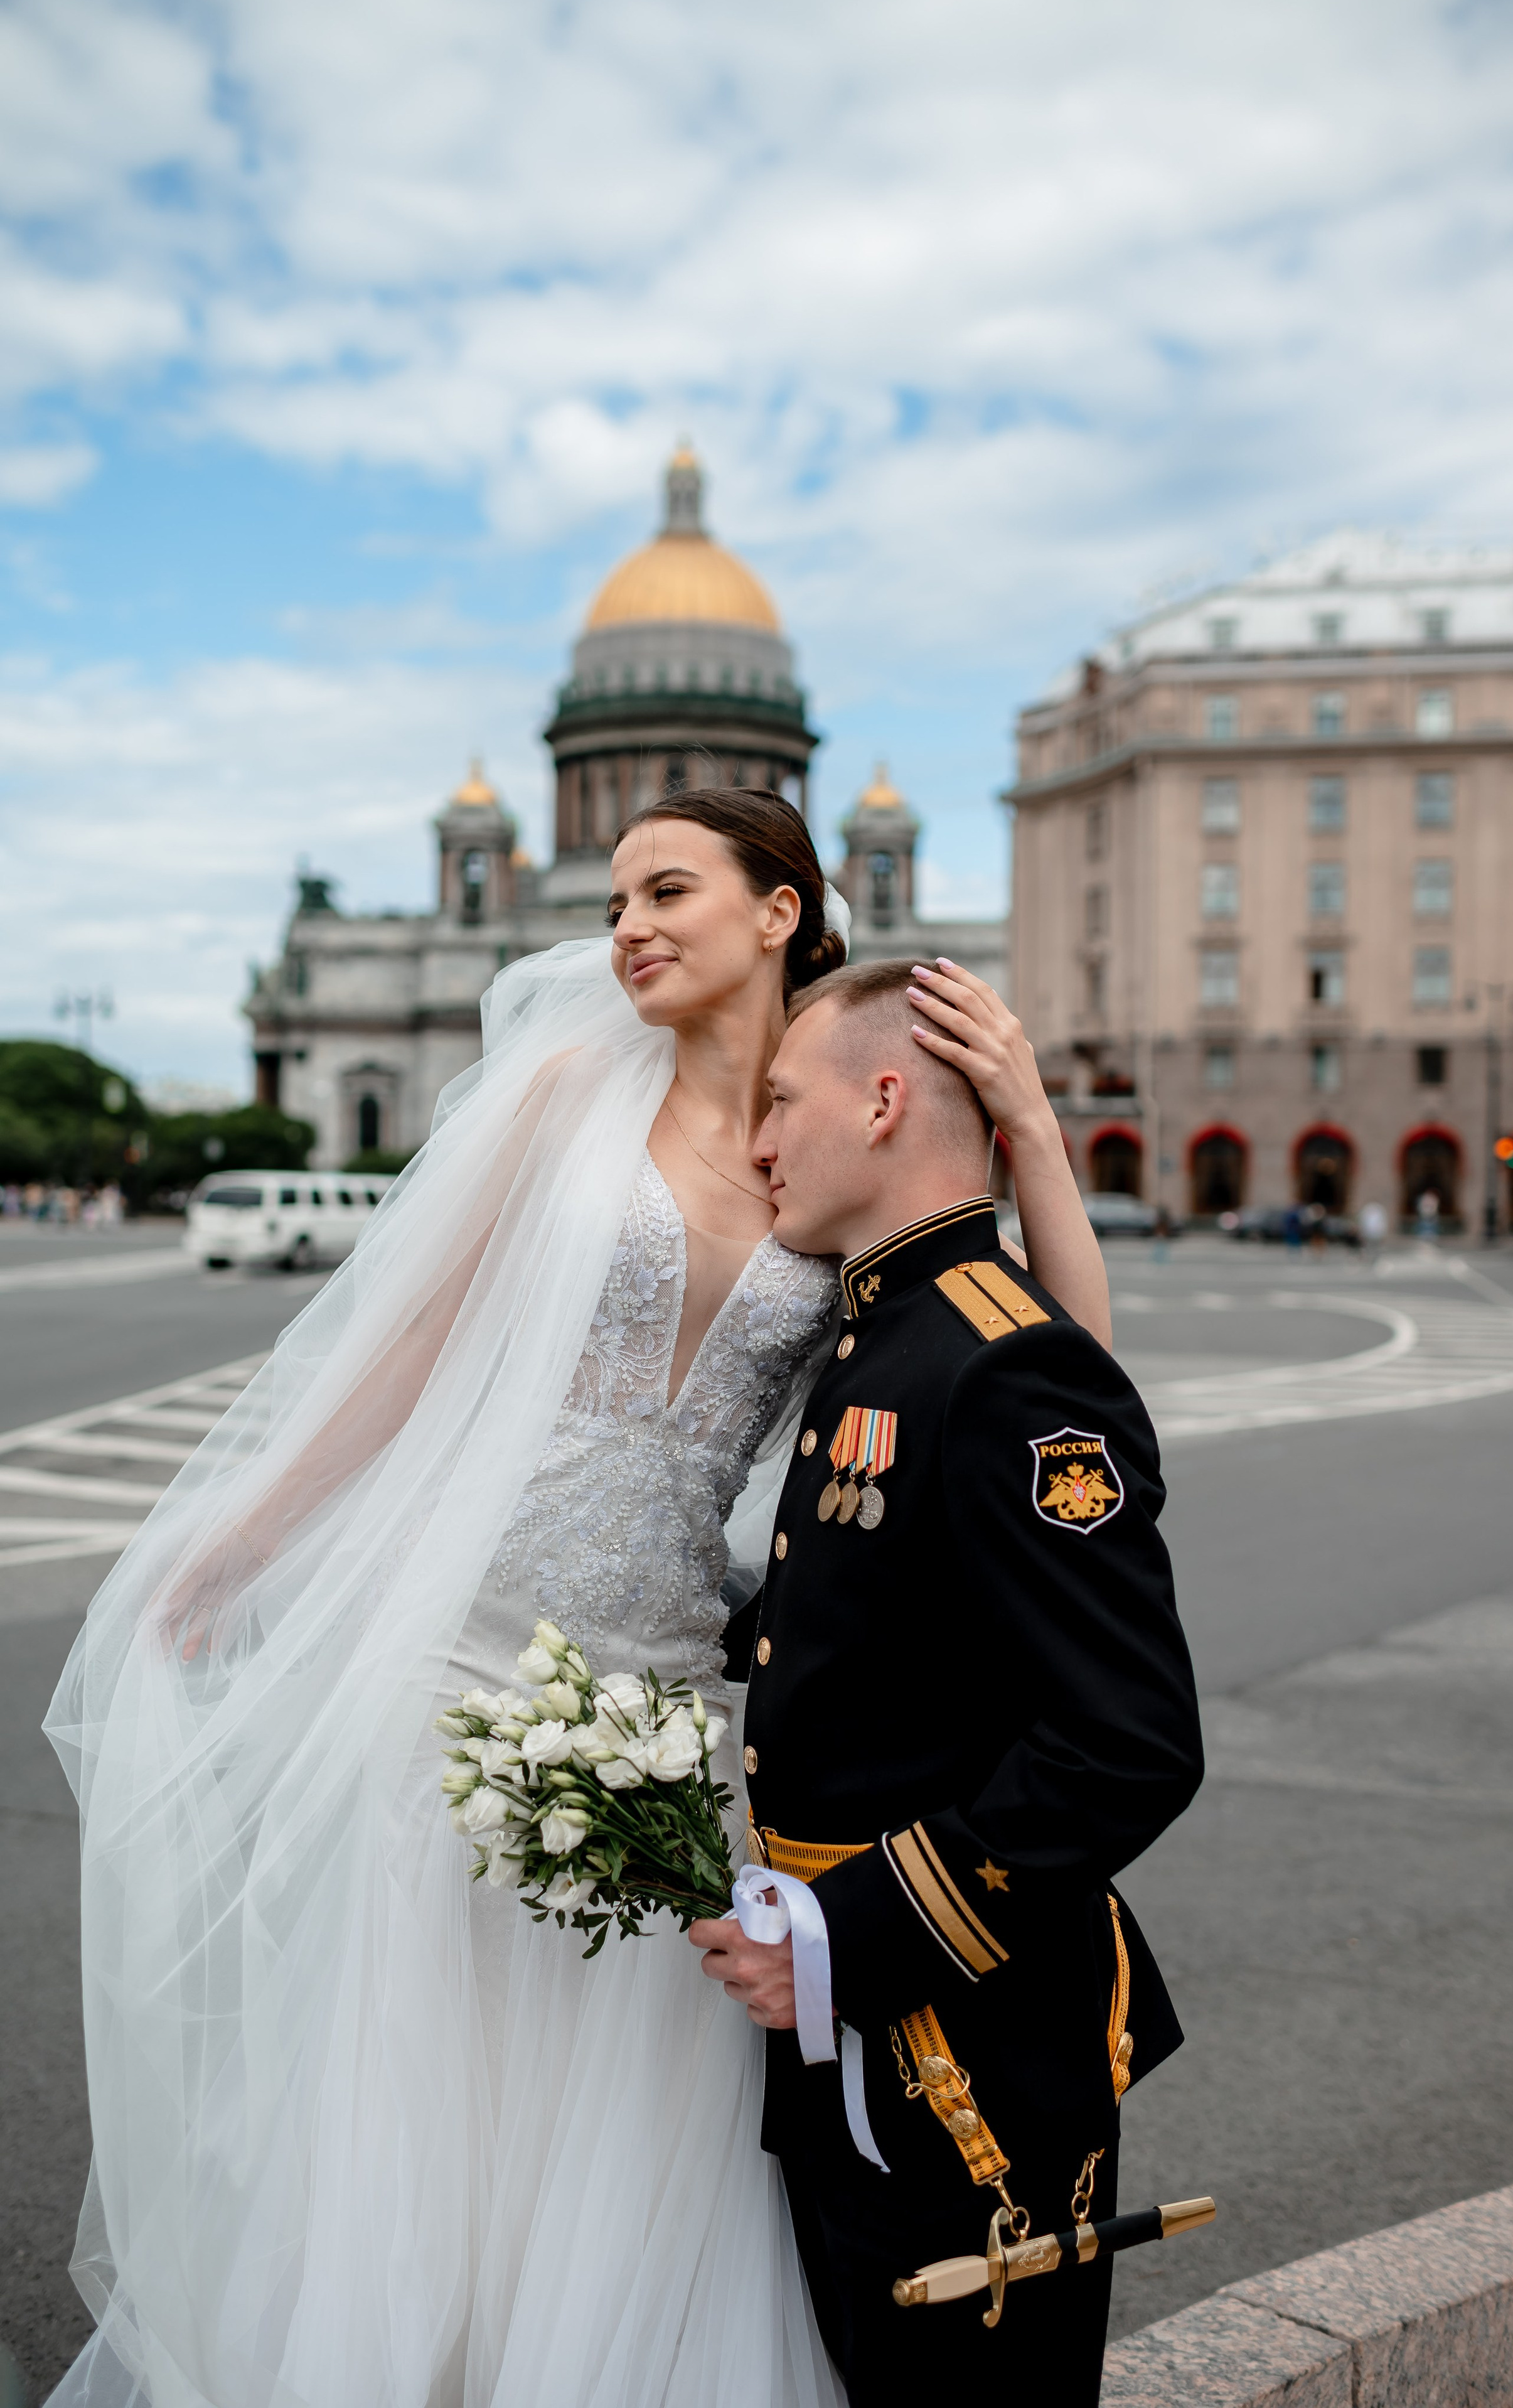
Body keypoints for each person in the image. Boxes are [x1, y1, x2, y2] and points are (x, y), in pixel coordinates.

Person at [45, 790, 1110, 2408]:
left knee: (637, 2127)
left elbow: (1045, 1355)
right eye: (614, 895)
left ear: (779, 910)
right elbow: (415, 1339)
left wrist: (1030, 1129)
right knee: (411, 2110)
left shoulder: (828, 1134)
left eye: (665, 890)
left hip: (670, 1692)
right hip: (460, 1658)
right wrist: (250, 1530)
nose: (624, 925)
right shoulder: (558, 1092)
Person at [690, 959, 1204, 2404]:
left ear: (885, 1096)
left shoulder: (1000, 1363)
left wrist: (838, 1934)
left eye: (780, 1101)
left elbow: (1128, 1742)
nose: (761, 1140)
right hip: (859, 2027)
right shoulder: (881, 1330)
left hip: (960, 2056)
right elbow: (877, 1633)